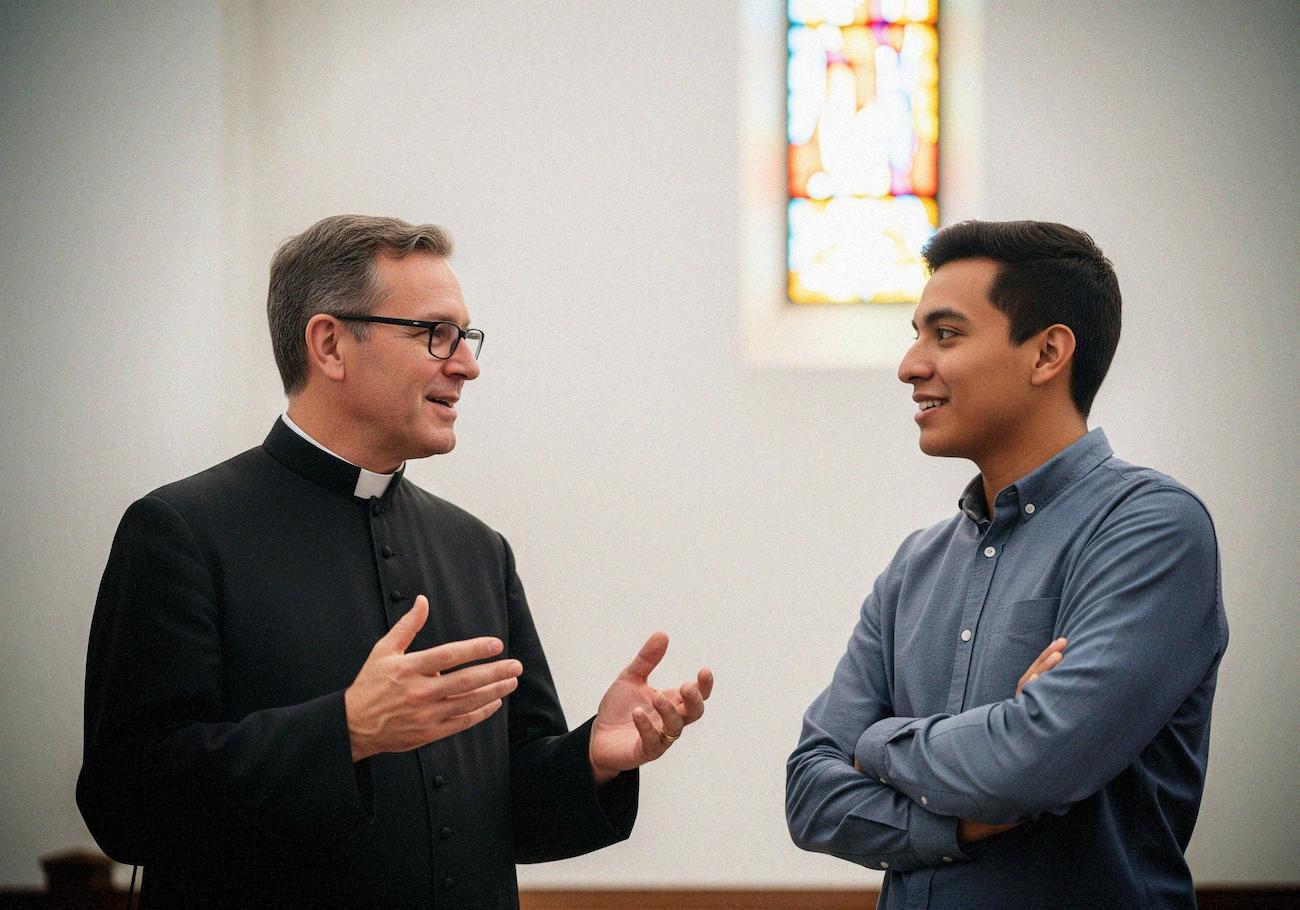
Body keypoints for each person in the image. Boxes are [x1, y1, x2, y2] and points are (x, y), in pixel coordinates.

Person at [78, 214, 713, 908]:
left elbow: (511, 813)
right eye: (435, 333)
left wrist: (590, 759)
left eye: (466, 336)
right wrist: (344, 731)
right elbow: (125, 802)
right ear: (330, 345)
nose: (467, 363)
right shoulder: (183, 532)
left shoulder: (476, 550)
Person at [786, 220, 1227, 909]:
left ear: (1048, 353)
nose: (910, 365)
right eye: (916, 335)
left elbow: (1034, 764)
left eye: (947, 334)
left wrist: (873, 744)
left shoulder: (1153, 529)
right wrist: (962, 817)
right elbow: (810, 795)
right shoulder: (915, 566)